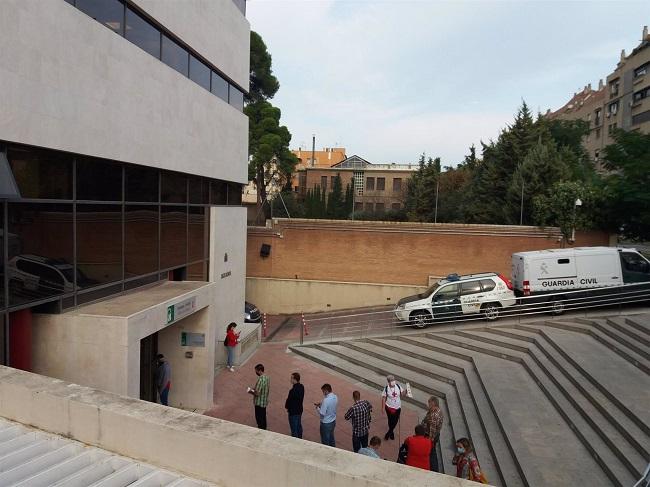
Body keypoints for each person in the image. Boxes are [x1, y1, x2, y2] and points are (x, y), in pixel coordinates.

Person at [421, 395, 444, 472]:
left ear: (432, 404)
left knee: (432, 452)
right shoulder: (438, 410)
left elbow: (432, 430)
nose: (427, 404)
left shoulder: (434, 415)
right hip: (435, 435)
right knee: (432, 451)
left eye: (429, 403)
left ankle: (434, 469)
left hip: (430, 436)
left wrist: (429, 441)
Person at [381, 374, 404, 440]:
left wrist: (406, 391)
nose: (393, 381)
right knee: (390, 420)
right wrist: (382, 408)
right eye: (391, 380)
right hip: (389, 407)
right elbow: (383, 398)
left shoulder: (398, 386)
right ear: (389, 382)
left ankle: (389, 432)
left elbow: (402, 394)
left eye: (394, 380)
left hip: (398, 407)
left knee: (395, 421)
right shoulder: (386, 388)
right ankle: (391, 432)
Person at [247, 363, 269, 429]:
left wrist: (250, 391)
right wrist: (255, 388)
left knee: (259, 418)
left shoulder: (260, 380)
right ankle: (264, 428)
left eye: (256, 371)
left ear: (259, 371)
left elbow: (257, 393)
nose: (255, 372)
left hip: (259, 402)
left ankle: (261, 429)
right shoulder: (267, 378)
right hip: (264, 401)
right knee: (263, 416)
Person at [284, 372, 304, 438]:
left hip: (293, 412)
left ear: (294, 379)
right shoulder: (302, 387)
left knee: (294, 428)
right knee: (298, 425)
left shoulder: (292, 390)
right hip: (299, 410)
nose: (290, 380)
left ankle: (295, 439)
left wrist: (287, 407)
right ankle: (300, 437)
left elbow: (289, 401)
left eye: (291, 378)